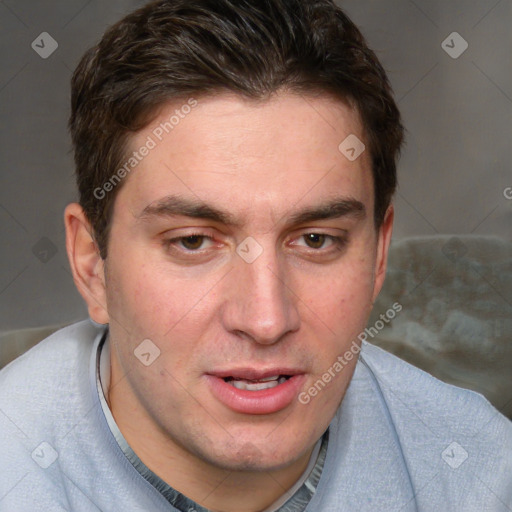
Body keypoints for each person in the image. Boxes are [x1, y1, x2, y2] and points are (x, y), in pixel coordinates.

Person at [1, 0, 511, 510]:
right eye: (193, 241)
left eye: (316, 240)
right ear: (93, 265)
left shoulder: (478, 475)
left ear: (379, 255)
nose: (266, 321)